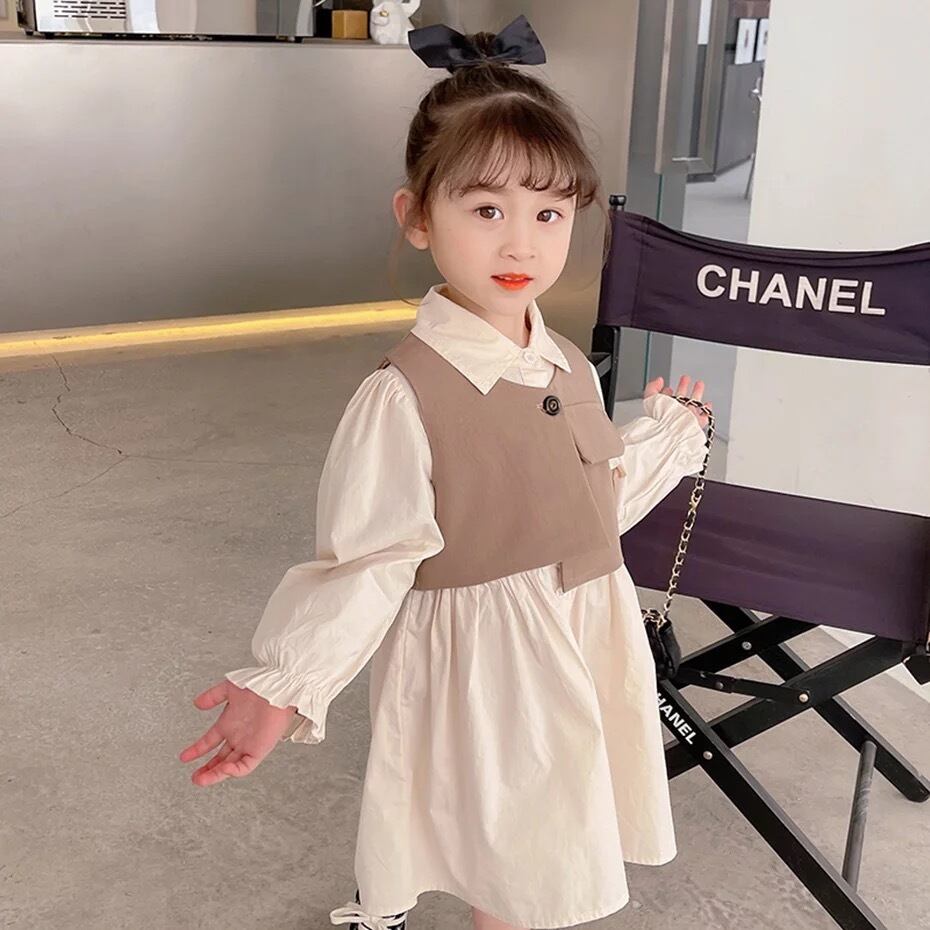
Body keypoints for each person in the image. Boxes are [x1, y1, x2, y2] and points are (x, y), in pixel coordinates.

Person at [179, 15, 713, 930]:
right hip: (490, 676)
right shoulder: (404, 397)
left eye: (548, 213)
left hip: (576, 642)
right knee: (514, 869)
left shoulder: (567, 364)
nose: (521, 245)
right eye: (487, 210)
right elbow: (370, 562)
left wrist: (673, 434)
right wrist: (286, 682)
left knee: (537, 854)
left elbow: (592, 501)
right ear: (419, 217)